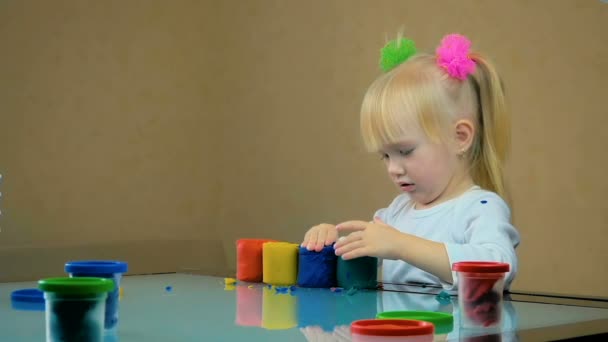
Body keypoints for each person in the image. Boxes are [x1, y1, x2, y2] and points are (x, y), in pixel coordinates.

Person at [301, 33, 520, 290]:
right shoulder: (397, 212)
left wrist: (401, 245)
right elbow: (363, 257)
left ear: (460, 138)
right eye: (385, 156)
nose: (393, 169)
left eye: (405, 151)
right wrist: (330, 243)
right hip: (402, 330)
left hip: (461, 331)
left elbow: (498, 270)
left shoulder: (480, 207)